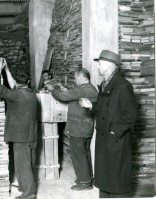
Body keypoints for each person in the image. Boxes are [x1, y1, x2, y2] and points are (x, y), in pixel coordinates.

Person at [80, 50, 138, 198]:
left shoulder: (123, 86)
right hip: (104, 141)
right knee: (105, 179)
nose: (98, 67)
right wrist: (91, 106)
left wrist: (114, 132)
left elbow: (131, 115)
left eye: (99, 63)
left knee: (117, 181)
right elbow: (103, 107)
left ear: (108, 66)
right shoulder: (105, 84)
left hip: (116, 141)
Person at [46, 68, 98, 191]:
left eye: (75, 78)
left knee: (78, 155)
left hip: (78, 128)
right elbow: (74, 94)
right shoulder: (90, 88)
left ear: (80, 78)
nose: (75, 80)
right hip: (86, 127)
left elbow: (63, 97)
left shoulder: (82, 90)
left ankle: (84, 182)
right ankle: (88, 177)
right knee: (85, 153)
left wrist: (53, 89)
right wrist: (64, 88)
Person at [0, 59, 37, 199]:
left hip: (20, 137)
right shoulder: (30, 92)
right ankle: (25, 187)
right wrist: (7, 70)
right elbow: (14, 85)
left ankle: (29, 195)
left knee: (23, 165)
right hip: (31, 135)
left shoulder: (16, 95)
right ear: (28, 81)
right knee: (27, 163)